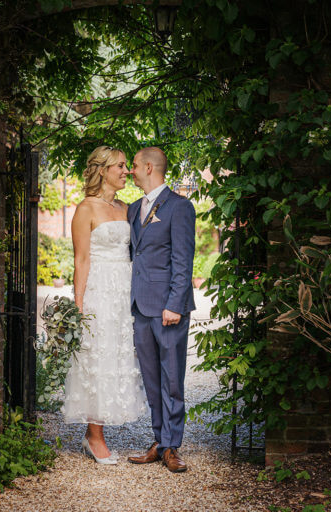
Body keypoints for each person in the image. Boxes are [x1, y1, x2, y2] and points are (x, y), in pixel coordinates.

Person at [62, 145, 147, 465]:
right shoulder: (86, 209)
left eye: (127, 166)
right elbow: (81, 259)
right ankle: (94, 436)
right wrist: (79, 304)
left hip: (124, 291)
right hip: (98, 290)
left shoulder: (127, 208)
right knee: (95, 359)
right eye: (121, 166)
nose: (126, 171)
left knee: (118, 357)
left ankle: (98, 431)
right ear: (103, 171)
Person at [126, 147, 195, 473]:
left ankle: (172, 446)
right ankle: (158, 440)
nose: (131, 171)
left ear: (149, 167)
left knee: (171, 380)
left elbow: (183, 260)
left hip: (168, 309)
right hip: (141, 307)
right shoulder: (132, 209)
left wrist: (174, 304)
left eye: (135, 165)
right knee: (152, 379)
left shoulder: (180, 208)